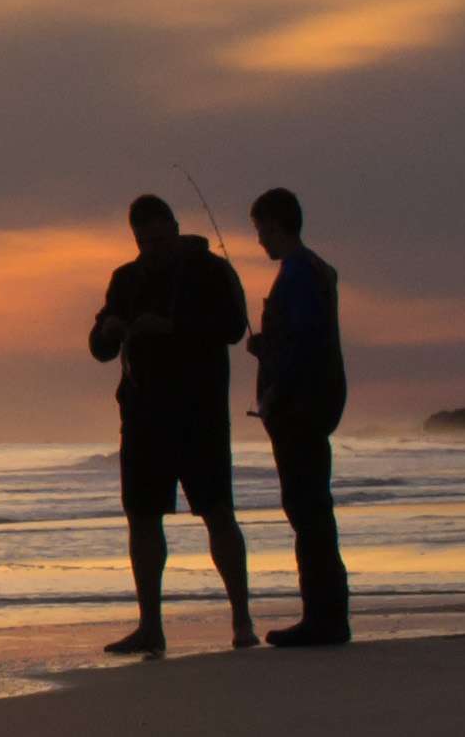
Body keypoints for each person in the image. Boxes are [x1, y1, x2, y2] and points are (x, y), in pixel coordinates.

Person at [88, 193, 252, 656]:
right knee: (141, 518)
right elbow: (98, 346)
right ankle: (150, 626)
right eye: (146, 242)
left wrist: (173, 327)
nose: (155, 248)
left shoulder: (210, 270)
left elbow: (234, 327)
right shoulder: (125, 278)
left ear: (176, 227)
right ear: (135, 238)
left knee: (217, 513)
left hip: (199, 414)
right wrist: (110, 330)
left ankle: (242, 619)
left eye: (162, 238)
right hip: (142, 415)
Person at [246, 185, 351, 645]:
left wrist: (275, 389)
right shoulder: (314, 270)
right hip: (313, 403)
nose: (259, 241)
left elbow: (303, 345)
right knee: (312, 510)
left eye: (261, 230)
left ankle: (324, 618)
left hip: (300, 408)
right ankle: (327, 614)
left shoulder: (298, 275)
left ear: (276, 224)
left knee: (307, 511)